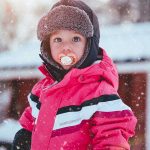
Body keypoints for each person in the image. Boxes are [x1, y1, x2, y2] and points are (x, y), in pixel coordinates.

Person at [12, 0, 137, 149]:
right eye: (58, 39)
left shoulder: (99, 94)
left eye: (75, 39)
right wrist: (25, 134)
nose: (66, 47)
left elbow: (112, 138)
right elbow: (31, 118)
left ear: (89, 45)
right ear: (47, 45)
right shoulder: (42, 89)